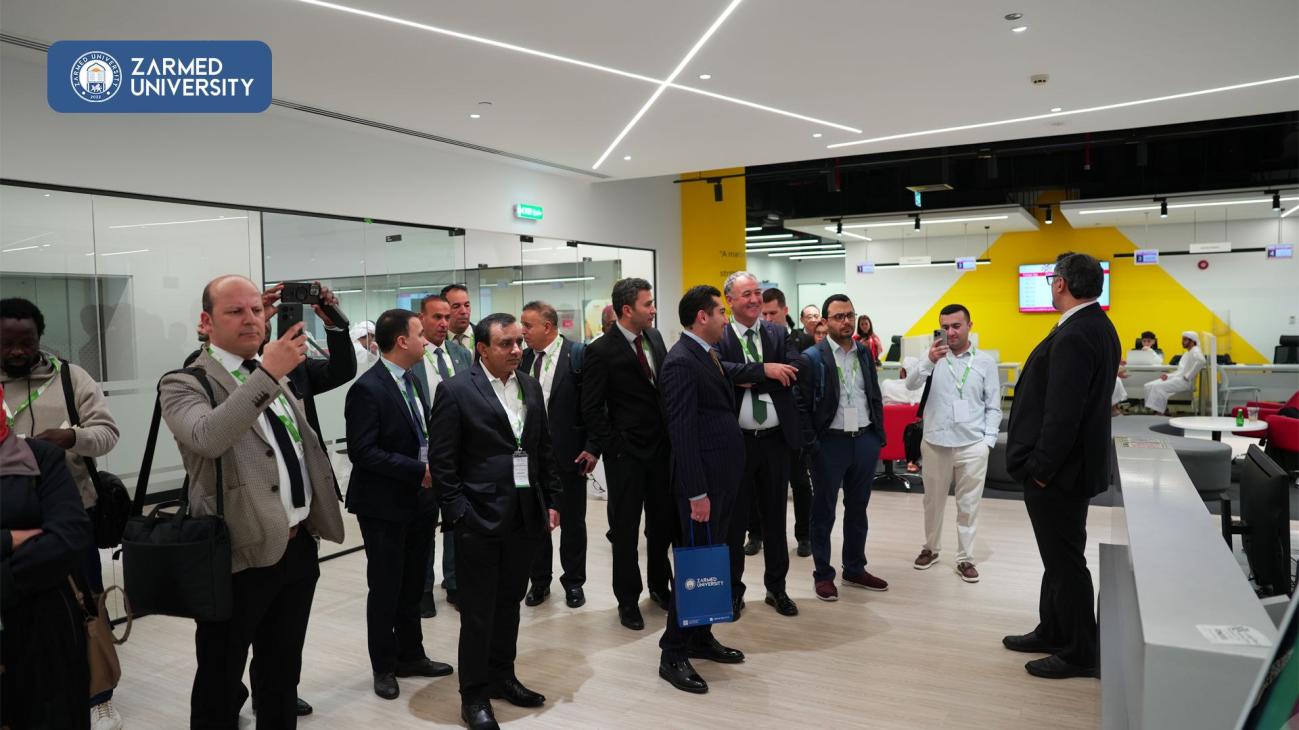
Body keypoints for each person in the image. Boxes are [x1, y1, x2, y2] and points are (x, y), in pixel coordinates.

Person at [160, 275, 345, 728]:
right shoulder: (184, 382)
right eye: (235, 311)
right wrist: (268, 372)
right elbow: (208, 437)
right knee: (220, 682)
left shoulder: (268, 373)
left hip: (297, 546)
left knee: (282, 676)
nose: (251, 320)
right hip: (237, 552)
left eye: (256, 311)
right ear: (205, 322)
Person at [428, 313, 562, 730]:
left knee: (509, 605)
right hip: (478, 518)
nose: (517, 350)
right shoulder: (455, 391)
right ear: (482, 349)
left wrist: (552, 500)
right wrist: (458, 512)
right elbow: (443, 461)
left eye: (519, 342)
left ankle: (504, 677)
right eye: (506, 344)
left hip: (524, 516)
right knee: (479, 612)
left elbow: (541, 449)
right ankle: (474, 696)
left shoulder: (529, 385)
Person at [1, 297, 123, 729]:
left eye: (27, 342)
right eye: (7, 343)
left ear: (40, 337)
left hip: (70, 516)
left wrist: (71, 438)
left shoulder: (70, 378)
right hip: (9, 521)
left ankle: (99, 692)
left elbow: (108, 433)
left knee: (84, 604)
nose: (17, 351)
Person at [1003, 252, 1119, 680]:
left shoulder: (1076, 333)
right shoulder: (1097, 326)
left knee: (1066, 561)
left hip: (1059, 474)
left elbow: (1063, 413)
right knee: (1058, 557)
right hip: (1071, 469)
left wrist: (1041, 468)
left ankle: (1079, 651)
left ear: (1060, 284)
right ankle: (1053, 629)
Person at [345, 308, 453, 700]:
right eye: (420, 334)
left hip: (419, 500)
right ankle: (384, 666)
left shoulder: (413, 381)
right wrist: (416, 470)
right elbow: (363, 452)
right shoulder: (368, 388)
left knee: (413, 585)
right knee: (386, 587)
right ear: (402, 341)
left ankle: (411, 654)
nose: (427, 340)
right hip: (384, 505)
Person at [657, 285, 748, 695]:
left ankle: (699, 636)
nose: (726, 320)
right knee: (696, 570)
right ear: (701, 317)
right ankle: (672, 651)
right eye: (721, 313)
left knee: (716, 563)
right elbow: (682, 433)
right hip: (702, 487)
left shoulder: (706, 356)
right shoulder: (680, 362)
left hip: (723, 480)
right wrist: (696, 494)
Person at [579, 277, 674, 631]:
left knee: (661, 527)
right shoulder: (600, 350)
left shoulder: (655, 337)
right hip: (627, 458)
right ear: (626, 310)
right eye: (647, 304)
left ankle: (660, 588)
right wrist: (615, 448)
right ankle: (628, 600)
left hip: (662, 453)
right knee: (625, 531)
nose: (653, 309)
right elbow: (590, 408)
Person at [1, 389, 95, 730]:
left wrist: (5, 580)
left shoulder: (39, 458)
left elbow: (69, 536)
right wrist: (9, 539)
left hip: (44, 627)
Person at [718, 273, 801, 618]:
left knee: (774, 519)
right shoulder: (720, 336)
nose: (755, 299)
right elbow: (720, 370)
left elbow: (798, 368)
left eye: (757, 292)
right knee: (734, 523)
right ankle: (734, 592)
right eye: (746, 294)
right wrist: (765, 370)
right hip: (737, 444)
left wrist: (749, 378)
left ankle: (776, 589)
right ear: (730, 301)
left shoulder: (777, 332)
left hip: (775, 442)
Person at [797, 294, 888, 602]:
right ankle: (823, 574)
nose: (846, 321)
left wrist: (878, 437)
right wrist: (813, 445)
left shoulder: (863, 352)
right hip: (829, 444)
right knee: (823, 511)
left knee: (858, 509)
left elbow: (873, 394)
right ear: (825, 321)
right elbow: (802, 407)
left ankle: (854, 567)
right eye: (838, 317)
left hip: (863, 440)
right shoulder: (812, 357)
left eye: (850, 315)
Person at [905, 305, 1001, 583]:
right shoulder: (931, 357)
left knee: (968, 504)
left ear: (970, 325)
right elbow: (910, 385)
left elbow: (993, 406)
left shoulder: (984, 362)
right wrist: (928, 362)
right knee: (932, 502)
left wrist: (988, 442)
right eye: (945, 327)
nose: (950, 332)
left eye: (956, 326)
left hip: (972, 445)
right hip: (935, 443)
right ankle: (931, 548)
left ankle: (965, 558)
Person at [520, 301, 598, 609]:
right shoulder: (522, 359)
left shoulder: (578, 356)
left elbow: (595, 406)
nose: (522, 332)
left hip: (569, 453)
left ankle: (574, 582)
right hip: (529, 457)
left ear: (548, 327)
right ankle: (539, 582)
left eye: (528, 326)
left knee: (573, 523)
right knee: (535, 521)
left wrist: (593, 446)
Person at [413, 295, 473, 618]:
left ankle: (455, 582)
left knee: (455, 519)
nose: (443, 323)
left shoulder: (461, 354)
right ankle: (423, 588)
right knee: (425, 522)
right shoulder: (413, 357)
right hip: (423, 451)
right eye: (436, 317)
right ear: (420, 318)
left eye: (446, 318)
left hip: (457, 451)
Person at [760, 288, 813, 557]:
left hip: (794, 420)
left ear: (785, 310)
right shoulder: (755, 340)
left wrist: (764, 375)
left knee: (799, 481)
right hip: (762, 421)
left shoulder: (801, 340)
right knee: (758, 484)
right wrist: (769, 374)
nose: (768, 318)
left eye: (772, 312)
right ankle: (755, 533)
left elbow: (801, 374)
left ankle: (804, 535)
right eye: (763, 313)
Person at [1143, 331, 1205, 415]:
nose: (1182, 342)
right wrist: (1168, 376)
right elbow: (1181, 371)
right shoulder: (1188, 352)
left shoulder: (1195, 351)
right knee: (1149, 385)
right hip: (1179, 379)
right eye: (1182, 339)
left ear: (1192, 341)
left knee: (1157, 387)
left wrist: (1188, 376)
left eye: (1185, 340)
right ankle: (1161, 409)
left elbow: (1201, 361)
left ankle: (1161, 412)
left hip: (1185, 382)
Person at [442, 284, 476, 352]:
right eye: (456, 306)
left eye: (467, 305)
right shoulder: (438, 340)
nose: (464, 311)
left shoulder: (483, 336)